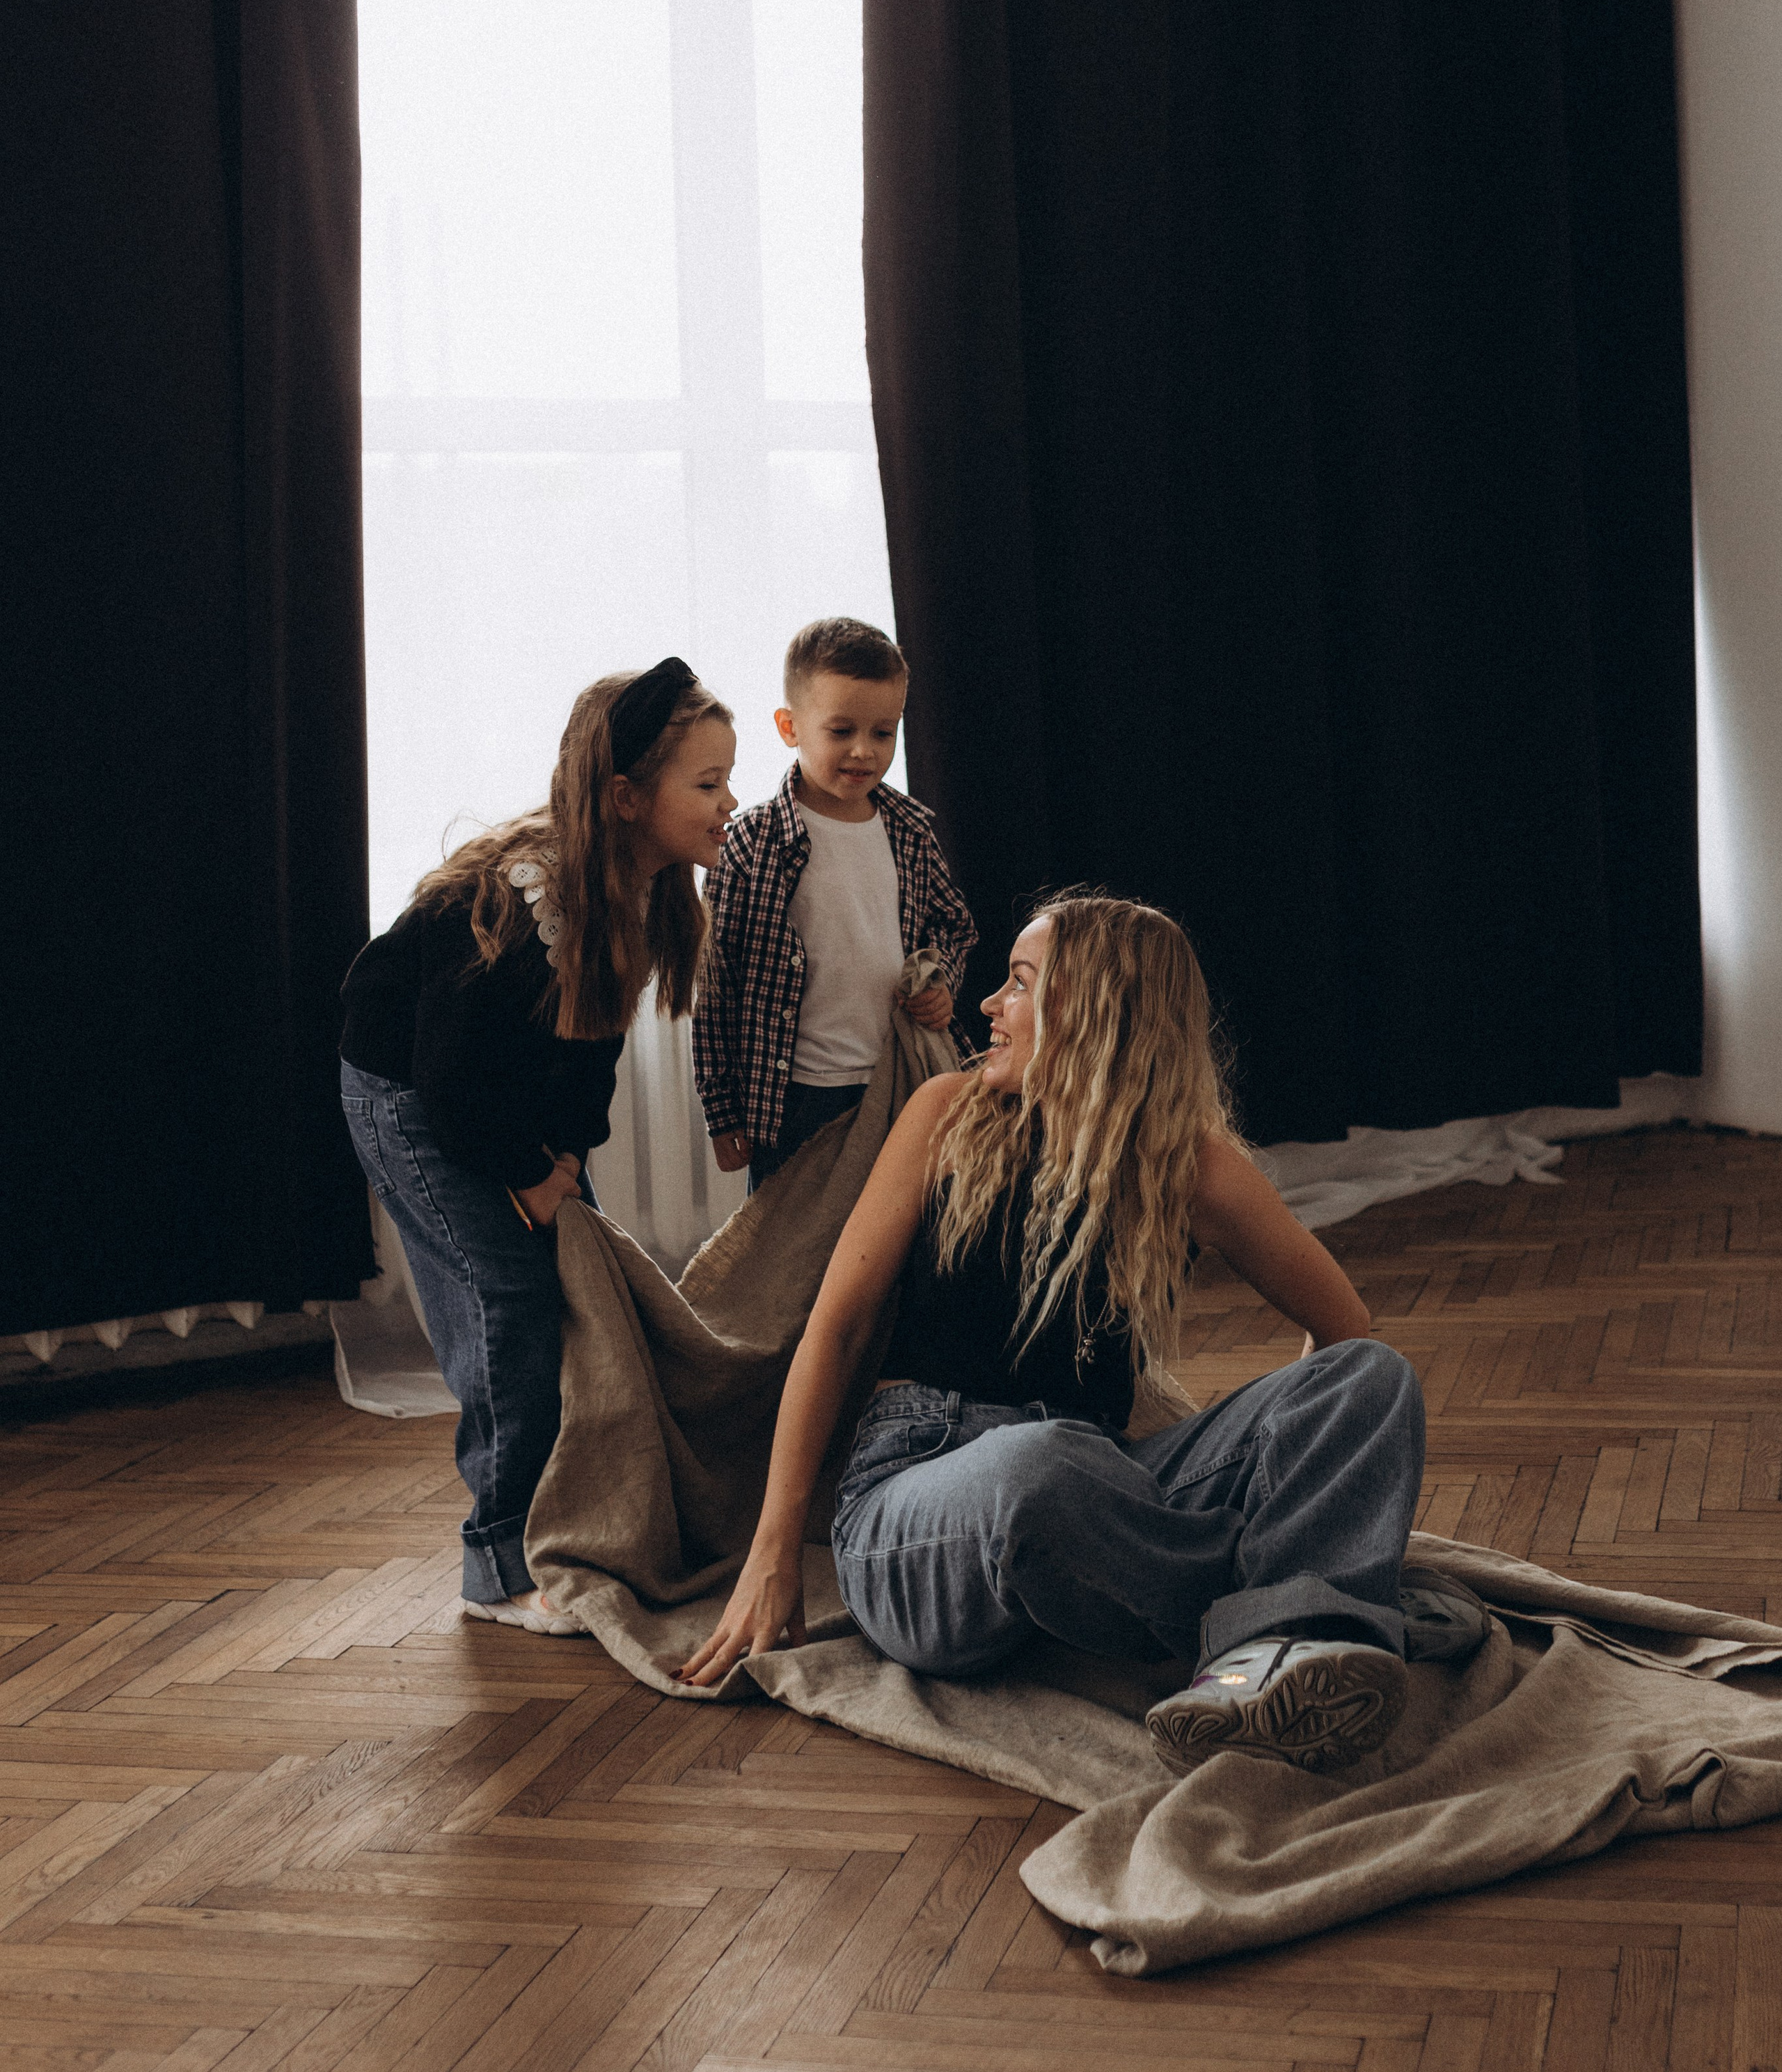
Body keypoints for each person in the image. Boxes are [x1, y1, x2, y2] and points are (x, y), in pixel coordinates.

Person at [679, 893, 1430, 1774]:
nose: (990, 1004)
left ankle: (1275, 1639)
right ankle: (1302, 1608)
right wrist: (773, 1548)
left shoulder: (1189, 1163)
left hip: (1097, 1495)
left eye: (1020, 984)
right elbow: (836, 1332)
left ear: (1095, 1014)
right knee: (1036, 1465)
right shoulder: (944, 1112)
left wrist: (1279, 1462)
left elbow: (1339, 1334)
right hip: (920, 1505)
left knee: (1372, 1380)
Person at [340, 659, 736, 1632]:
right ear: (626, 797)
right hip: (414, 1099)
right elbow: (453, 1078)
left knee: (584, 1290)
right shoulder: (531, 897)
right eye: (709, 784)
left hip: (497, 1100)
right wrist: (530, 1175)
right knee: (508, 1300)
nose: (731, 802)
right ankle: (500, 1563)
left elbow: (586, 1058)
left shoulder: (643, 886)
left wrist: (567, 1161)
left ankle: (593, 1514)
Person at [693, 618, 977, 1191]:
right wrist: (722, 1110)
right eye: (842, 729)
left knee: (901, 1233)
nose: (863, 751)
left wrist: (939, 980)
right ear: (789, 726)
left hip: (897, 1077)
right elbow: (715, 983)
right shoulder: (752, 842)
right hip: (793, 1096)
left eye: (884, 733)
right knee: (790, 1252)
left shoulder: (911, 831)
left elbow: (954, 923)